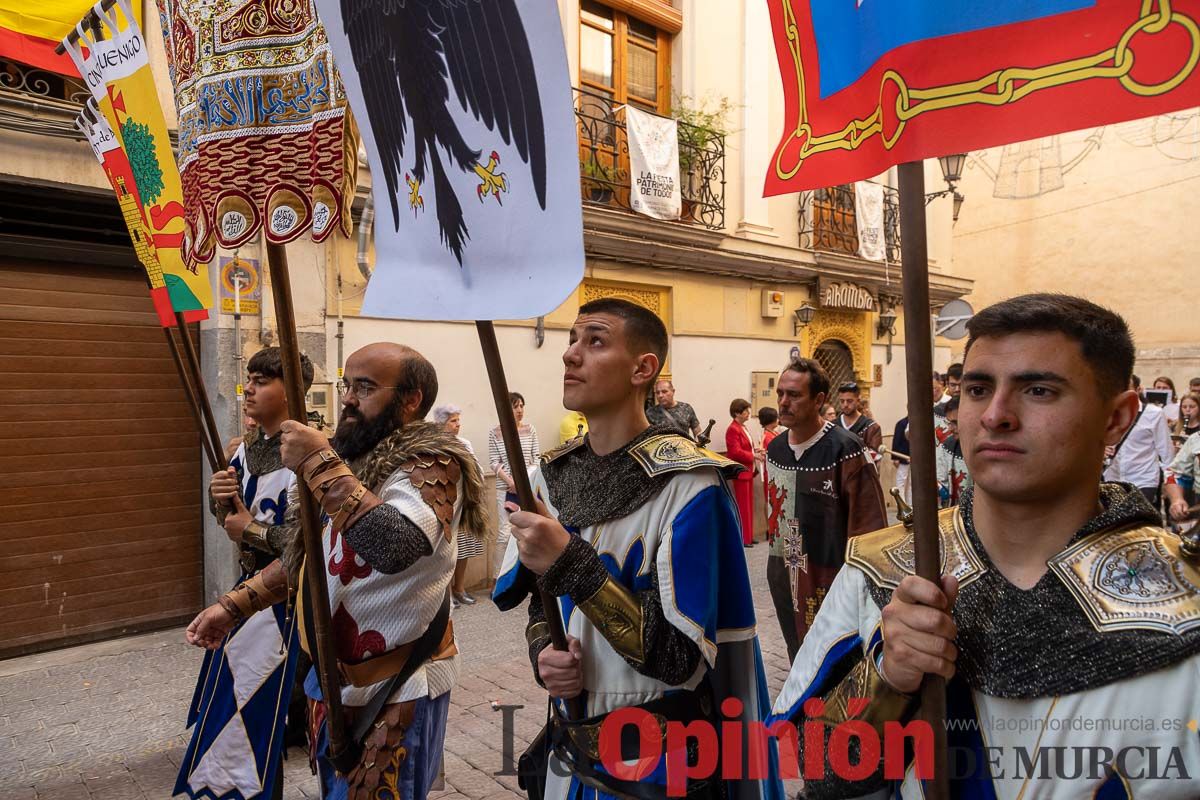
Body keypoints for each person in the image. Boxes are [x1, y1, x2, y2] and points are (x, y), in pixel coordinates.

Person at [770, 293, 1200, 797]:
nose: (995, 415)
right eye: (977, 388)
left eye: (1038, 390)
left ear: (1116, 418)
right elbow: (814, 767)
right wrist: (888, 678)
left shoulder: (1186, 603)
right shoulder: (883, 573)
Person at [493, 298, 780, 800]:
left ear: (643, 369)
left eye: (595, 341)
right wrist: (545, 651)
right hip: (570, 757)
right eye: (571, 340)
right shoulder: (548, 476)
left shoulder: (691, 486)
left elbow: (679, 658)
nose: (571, 355)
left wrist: (569, 561)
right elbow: (542, 600)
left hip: (659, 767)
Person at [185, 343, 489, 800]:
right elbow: (310, 560)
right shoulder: (351, 463)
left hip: (397, 685)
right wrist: (233, 607)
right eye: (348, 385)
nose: (347, 398)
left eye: (364, 387)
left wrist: (318, 463)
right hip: (330, 684)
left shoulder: (433, 462)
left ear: (411, 400)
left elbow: (395, 544)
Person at [179, 347, 316, 800]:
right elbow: (230, 520)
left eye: (262, 380)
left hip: (292, 602)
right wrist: (220, 500)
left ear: (292, 390)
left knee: (264, 716)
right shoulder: (246, 450)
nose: (249, 388)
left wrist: (249, 529)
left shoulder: (312, 454)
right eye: (249, 378)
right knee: (242, 713)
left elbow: (308, 545)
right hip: (248, 594)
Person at [764, 358, 887, 661]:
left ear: (819, 400)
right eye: (780, 393)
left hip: (830, 579)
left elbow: (870, 528)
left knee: (832, 663)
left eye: (793, 395)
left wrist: (860, 585)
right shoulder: (775, 449)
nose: (783, 402)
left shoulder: (846, 449)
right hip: (784, 573)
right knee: (797, 657)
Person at [433, 404, 485, 608]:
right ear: (441, 424)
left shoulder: (464, 443)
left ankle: (460, 588)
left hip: (464, 501)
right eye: (453, 421)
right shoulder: (435, 444)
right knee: (446, 550)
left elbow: (476, 468)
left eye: (458, 420)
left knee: (464, 546)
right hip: (444, 502)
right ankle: (446, 596)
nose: (458, 425)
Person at [1103, 373, 1174, 511]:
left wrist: (1170, 483)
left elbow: (1165, 450)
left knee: (1136, 523)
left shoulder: (1154, 413)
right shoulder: (1107, 411)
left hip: (1143, 478)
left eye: (1127, 388)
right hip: (1113, 476)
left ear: (1137, 390)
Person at [488, 392, 540, 579]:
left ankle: (525, 577)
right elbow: (494, 462)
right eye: (515, 406)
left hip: (527, 488)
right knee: (504, 534)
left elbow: (536, 458)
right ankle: (498, 578)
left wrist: (523, 481)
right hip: (505, 489)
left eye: (521, 406)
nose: (520, 410)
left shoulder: (530, 429)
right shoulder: (495, 433)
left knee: (528, 530)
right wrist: (511, 482)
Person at [725, 398, 757, 547]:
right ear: (737, 412)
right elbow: (735, 451)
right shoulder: (733, 429)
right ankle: (744, 538)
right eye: (746, 411)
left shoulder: (742, 427)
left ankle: (749, 536)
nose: (748, 414)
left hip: (748, 470)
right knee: (743, 506)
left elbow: (747, 447)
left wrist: (755, 451)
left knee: (748, 505)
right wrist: (753, 456)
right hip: (740, 470)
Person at [934, 396, 971, 507]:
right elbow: (941, 482)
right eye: (949, 423)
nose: (950, 428)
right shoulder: (947, 446)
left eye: (955, 422)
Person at [836, 381, 884, 462]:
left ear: (858, 401)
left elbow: (874, 457)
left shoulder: (872, 427)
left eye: (849, 401)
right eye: (842, 401)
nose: (845, 405)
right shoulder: (833, 425)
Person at [891, 414, 912, 506]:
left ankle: (910, 503)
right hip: (902, 456)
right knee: (901, 481)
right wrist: (895, 457)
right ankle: (902, 504)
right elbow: (897, 439)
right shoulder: (902, 423)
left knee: (911, 482)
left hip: (913, 457)